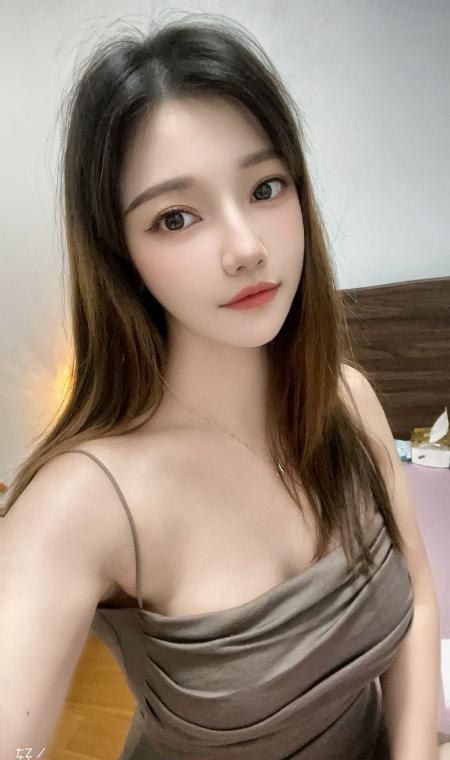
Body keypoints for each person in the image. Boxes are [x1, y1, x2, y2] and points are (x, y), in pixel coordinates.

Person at [1, 11, 446, 760]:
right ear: (119, 252)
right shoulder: (84, 499)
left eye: (266, 187)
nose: (245, 247)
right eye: (176, 217)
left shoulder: (348, 400)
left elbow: (421, 600)